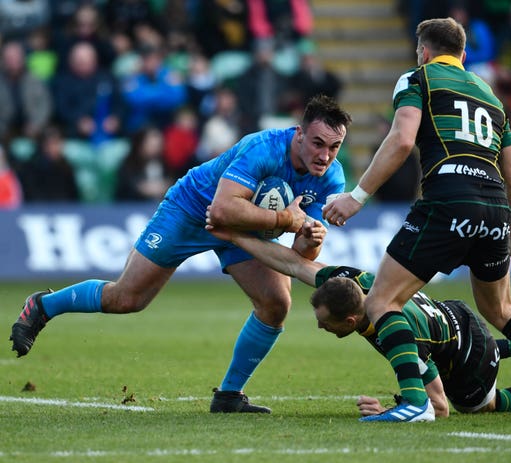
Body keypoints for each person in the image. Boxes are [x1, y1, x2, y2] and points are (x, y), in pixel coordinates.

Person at [322, 17, 511, 422]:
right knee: (503, 311)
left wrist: (357, 197)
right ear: (464, 55)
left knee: (382, 300)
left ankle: (416, 403)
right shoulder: (491, 98)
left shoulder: (417, 79)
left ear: (424, 51)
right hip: (496, 210)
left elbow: (402, 140)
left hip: (448, 201)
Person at [9, 95, 352, 415]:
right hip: (191, 210)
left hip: (244, 232)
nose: (324, 155)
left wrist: (311, 235)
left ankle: (229, 395)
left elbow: (300, 256)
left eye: (334, 147)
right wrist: (284, 220)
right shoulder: (262, 148)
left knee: (277, 304)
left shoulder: (332, 178)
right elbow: (221, 210)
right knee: (128, 298)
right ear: (299, 134)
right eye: (317, 143)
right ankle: (42, 305)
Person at [204, 224, 511, 420]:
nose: (320, 328)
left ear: (351, 320)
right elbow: (293, 263)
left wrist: (392, 410)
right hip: (452, 318)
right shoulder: (357, 282)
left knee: (478, 405)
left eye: (326, 324)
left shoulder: (392, 332)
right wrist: (235, 236)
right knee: (438, 357)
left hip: (467, 355)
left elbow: (437, 407)